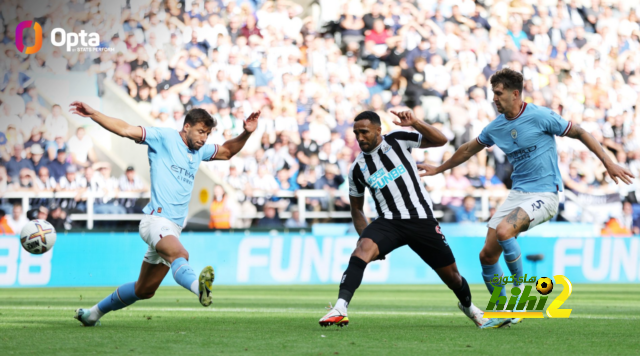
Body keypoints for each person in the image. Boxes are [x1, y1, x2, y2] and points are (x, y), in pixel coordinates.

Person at [418, 68, 635, 328]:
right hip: (518, 194)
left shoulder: (541, 116)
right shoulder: (496, 127)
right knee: (487, 256)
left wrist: (608, 162)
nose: (494, 99)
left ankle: (520, 300)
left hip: (545, 193)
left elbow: (580, 133)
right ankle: (501, 309)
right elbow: (467, 150)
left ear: (515, 93)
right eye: (493, 94)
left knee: (504, 231)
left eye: (498, 94)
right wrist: (438, 169)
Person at [69, 101, 261, 326]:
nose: (204, 138)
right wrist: (94, 113)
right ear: (186, 126)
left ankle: (92, 314)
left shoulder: (198, 151)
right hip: (156, 221)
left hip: (173, 228)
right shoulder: (165, 138)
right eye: (200, 131)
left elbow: (227, 151)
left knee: (144, 290)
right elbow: (125, 129)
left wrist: (246, 133)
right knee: (180, 254)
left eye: (207, 134)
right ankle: (199, 288)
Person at [319, 110, 489, 329]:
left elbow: (441, 140)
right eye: (356, 133)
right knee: (361, 250)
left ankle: (469, 307)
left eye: (364, 132)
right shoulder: (357, 169)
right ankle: (340, 308)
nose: (360, 137)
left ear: (378, 130)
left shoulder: (398, 140)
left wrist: (416, 122)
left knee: (453, 277)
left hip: (421, 219)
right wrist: (366, 236)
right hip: (389, 223)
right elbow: (357, 210)